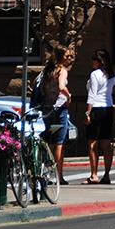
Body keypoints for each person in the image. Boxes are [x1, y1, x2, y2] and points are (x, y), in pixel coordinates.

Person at [84, 49, 115, 184]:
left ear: (99, 61)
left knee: (92, 143)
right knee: (106, 143)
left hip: (96, 109)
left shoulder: (94, 74)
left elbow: (92, 94)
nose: (92, 62)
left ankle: (94, 174)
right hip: (108, 109)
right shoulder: (111, 75)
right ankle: (107, 175)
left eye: (94, 59)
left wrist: (87, 112)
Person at [39, 47, 73, 184]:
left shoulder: (48, 70)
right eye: (67, 56)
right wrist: (69, 95)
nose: (70, 59)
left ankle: (46, 173)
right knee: (59, 143)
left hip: (47, 109)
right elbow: (60, 87)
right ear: (61, 57)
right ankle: (58, 176)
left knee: (48, 141)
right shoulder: (62, 71)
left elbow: (41, 87)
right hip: (59, 110)